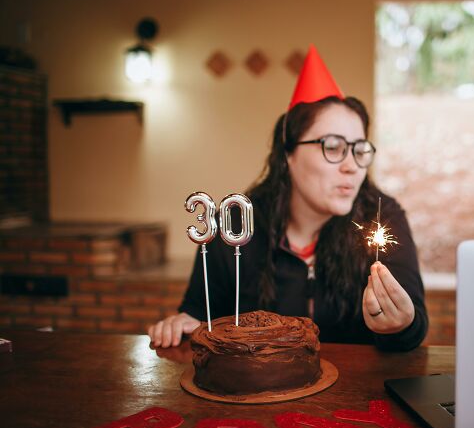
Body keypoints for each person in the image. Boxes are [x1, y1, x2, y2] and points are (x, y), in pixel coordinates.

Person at [148, 45, 428, 351]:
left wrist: (401, 324)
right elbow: (200, 315)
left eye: (360, 150)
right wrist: (184, 323)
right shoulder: (235, 225)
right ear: (288, 156)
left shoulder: (380, 215)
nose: (352, 166)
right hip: (256, 394)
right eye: (333, 147)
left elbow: (414, 327)